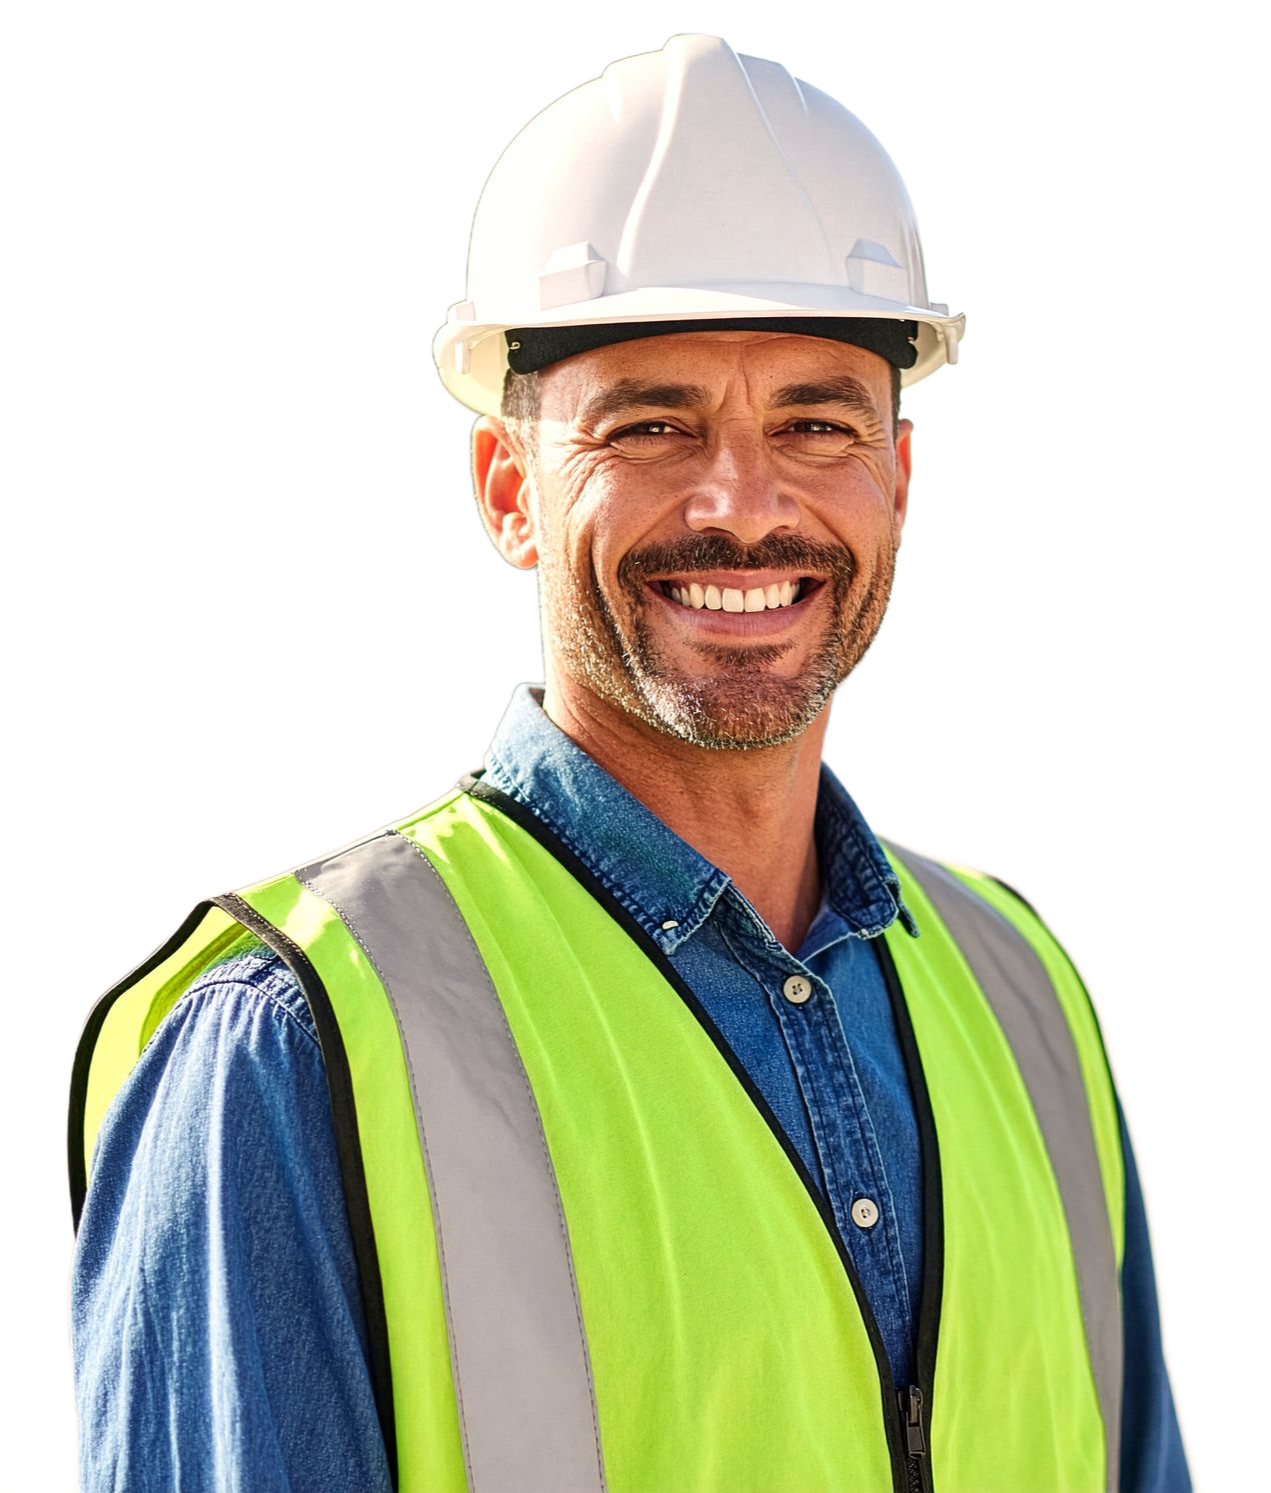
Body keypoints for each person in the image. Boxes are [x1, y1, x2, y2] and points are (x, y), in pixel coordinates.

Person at [66, 31, 1206, 1493]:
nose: (744, 504)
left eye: (817, 422)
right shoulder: (293, 1039)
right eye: (652, 425)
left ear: (899, 481)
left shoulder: (1026, 991)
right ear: (509, 492)